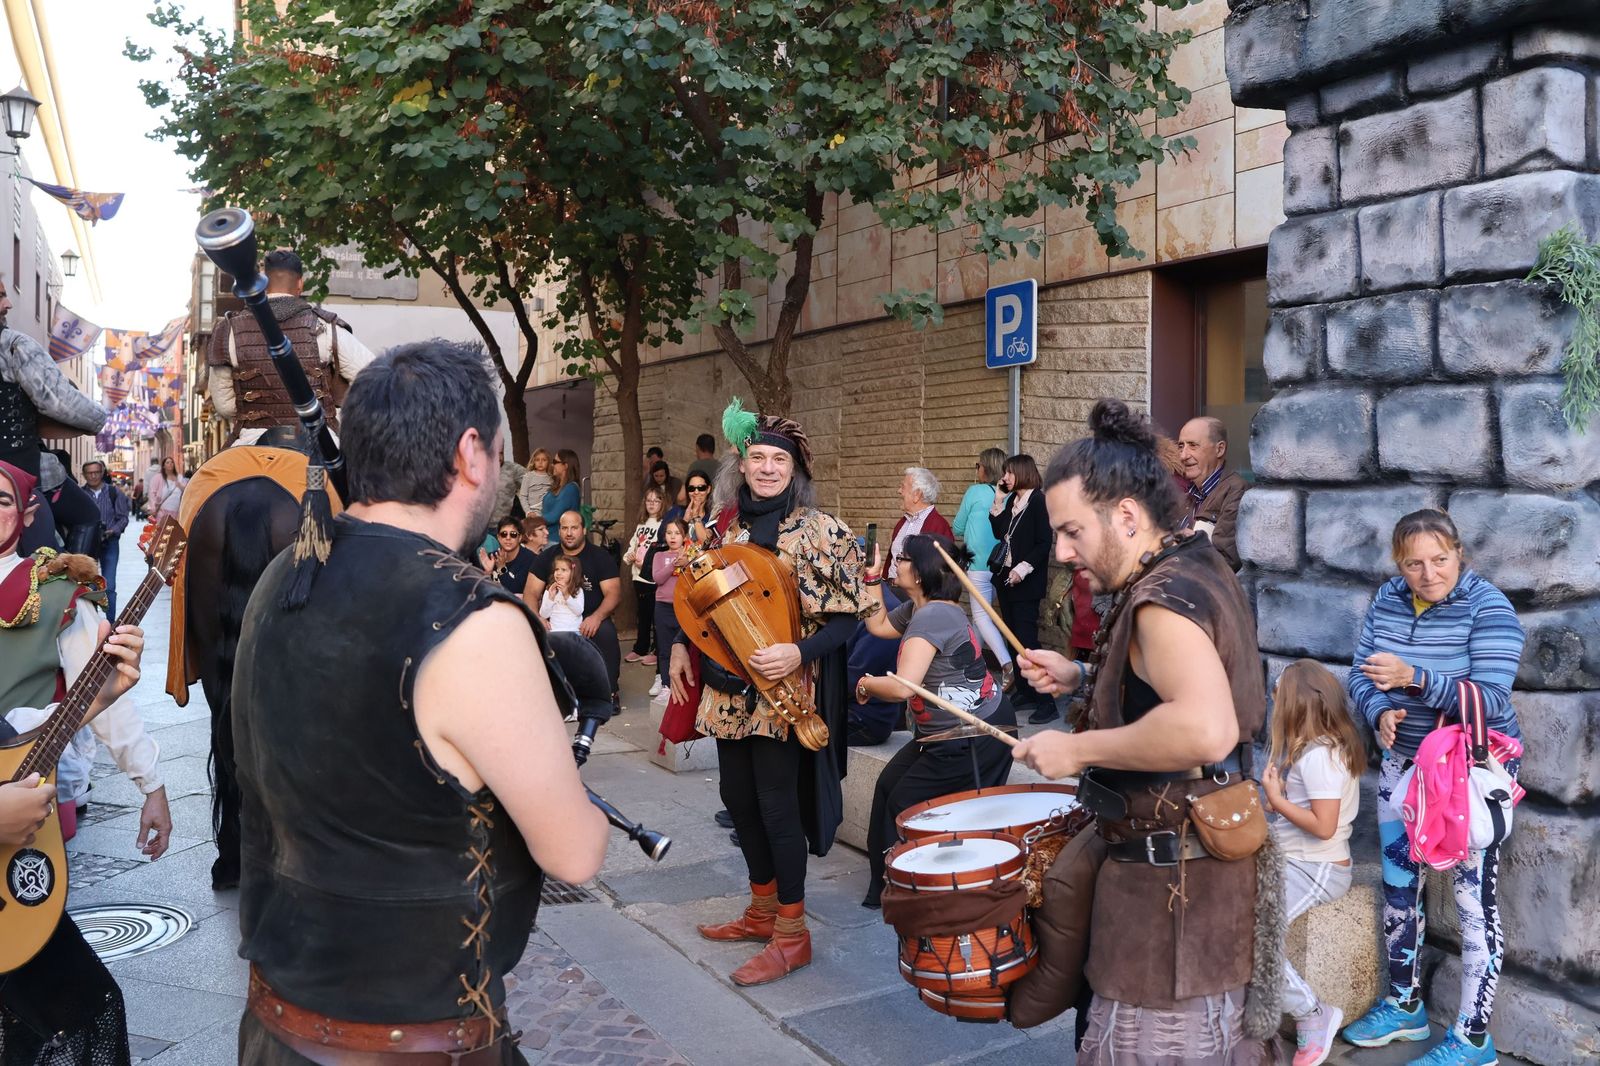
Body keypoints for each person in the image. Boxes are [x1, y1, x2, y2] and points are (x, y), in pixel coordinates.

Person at [230, 339, 608, 1064]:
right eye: (500, 453)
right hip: (416, 1048)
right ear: (471, 452)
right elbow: (574, 852)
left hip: (275, 1028)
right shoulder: (476, 622)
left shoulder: (285, 574)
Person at [1010, 398, 1270, 1063]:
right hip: (1187, 892)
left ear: (1126, 515)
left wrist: (1075, 747)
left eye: (1072, 532)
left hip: (1169, 911)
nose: (1064, 552)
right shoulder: (1193, 563)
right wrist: (1079, 676)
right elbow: (1170, 685)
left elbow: (1204, 728)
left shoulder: (1160, 599)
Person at [668, 400, 868, 987]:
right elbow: (701, 601)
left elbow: (847, 619)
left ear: (795, 469)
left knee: (778, 806)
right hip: (728, 691)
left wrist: (797, 653)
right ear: (742, 463)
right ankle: (760, 910)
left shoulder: (822, 530)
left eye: (778, 459)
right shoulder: (724, 528)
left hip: (784, 692)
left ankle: (792, 933)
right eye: (757, 457)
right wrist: (682, 644)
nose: (767, 468)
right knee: (738, 800)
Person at [1341, 509, 1524, 1065]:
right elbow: (1358, 672)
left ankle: (1473, 1038)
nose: (1428, 574)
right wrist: (1378, 712)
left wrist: (1414, 678)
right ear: (1399, 563)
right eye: (1414, 563)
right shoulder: (1388, 599)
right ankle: (1404, 1004)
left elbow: (1491, 700)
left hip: (1469, 772)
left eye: (1439, 560)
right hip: (1402, 769)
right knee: (1400, 888)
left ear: (1459, 553)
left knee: (1474, 902)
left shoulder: (1488, 607)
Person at [0, 457, 155, 1065]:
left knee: (80, 1010)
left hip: (25, 838)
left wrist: (101, 699)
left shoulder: (55, 591)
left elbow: (26, 723)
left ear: (29, 512)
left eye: (2, 500)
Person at [855, 534, 1015, 908]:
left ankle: (912, 890)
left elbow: (901, 688)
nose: (898, 561)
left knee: (906, 806)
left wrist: (865, 683)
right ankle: (885, 887)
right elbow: (877, 626)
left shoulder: (934, 614)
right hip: (944, 733)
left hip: (974, 734)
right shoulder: (921, 607)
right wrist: (873, 579)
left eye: (903, 557)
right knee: (888, 787)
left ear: (923, 571)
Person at [1261, 660, 1364, 1066]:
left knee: (1258, 939)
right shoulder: (1323, 747)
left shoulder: (1319, 756)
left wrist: (1277, 799)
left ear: (1294, 704)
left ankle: (1312, 1013)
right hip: (1301, 861)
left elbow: (1324, 827)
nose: (1273, 705)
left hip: (1316, 868)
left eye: (1277, 698)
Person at [206, 247, 376, 444]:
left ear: (263, 284)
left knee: (211, 475)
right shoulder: (326, 327)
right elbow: (372, 378)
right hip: (320, 443)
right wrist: (338, 412)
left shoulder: (229, 329)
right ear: (300, 284)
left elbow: (224, 405)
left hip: (251, 443)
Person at [0, 277, 107, 554]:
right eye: (0, 297)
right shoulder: (14, 345)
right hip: (18, 477)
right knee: (87, 516)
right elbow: (57, 400)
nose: (8, 304)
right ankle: (75, 589)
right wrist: (98, 419)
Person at [527, 510, 623, 709]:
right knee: (532, 634)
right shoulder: (547, 557)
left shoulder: (599, 556)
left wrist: (596, 617)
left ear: (583, 530)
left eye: (574, 528)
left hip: (590, 618)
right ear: (559, 531)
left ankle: (609, 692)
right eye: (564, 528)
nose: (569, 533)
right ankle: (547, 694)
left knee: (605, 632)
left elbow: (613, 593)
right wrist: (537, 618)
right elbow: (530, 593)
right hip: (556, 619)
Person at [989, 453, 1054, 723]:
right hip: (1006, 580)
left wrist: (1022, 568)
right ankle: (1025, 691)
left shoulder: (1038, 501)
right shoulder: (1015, 501)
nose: (1004, 477)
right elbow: (998, 532)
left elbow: (1043, 543)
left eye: (1009, 473)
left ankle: (1046, 701)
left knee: (1027, 642)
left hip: (1025, 582)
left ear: (1023, 473)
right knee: (1011, 638)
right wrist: (999, 499)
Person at [952, 447, 1011, 683]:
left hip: (978, 565)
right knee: (982, 616)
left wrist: (970, 531)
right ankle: (970, 665)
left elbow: (957, 527)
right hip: (1004, 564)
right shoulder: (1009, 493)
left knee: (981, 616)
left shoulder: (975, 491)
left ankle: (1007, 667)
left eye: (978, 465)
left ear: (985, 468)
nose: (976, 470)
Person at [1176, 416, 1247, 571]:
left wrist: (1191, 543)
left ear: (1219, 449)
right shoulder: (1187, 497)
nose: (1183, 455)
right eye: (1181, 446)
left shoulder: (1236, 491)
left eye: (1193, 446)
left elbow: (1227, 561)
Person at [82, 459, 130, 622]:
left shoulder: (114, 492)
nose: (93, 476)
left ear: (102, 473)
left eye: (96, 472)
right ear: (84, 475)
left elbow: (123, 518)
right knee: (90, 585)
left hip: (110, 543)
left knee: (109, 586)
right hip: (88, 545)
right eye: (89, 473)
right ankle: (93, 621)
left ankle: (110, 623)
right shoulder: (80, 494)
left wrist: (113, 531)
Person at [623, 487, 666, 665]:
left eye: (656, 501)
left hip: (652, 577)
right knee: (643, 615)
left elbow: (662, 550)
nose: (652, 504)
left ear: (662, 503)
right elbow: (634, 545)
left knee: (656, 616)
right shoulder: (642, 524)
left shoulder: (663, 524)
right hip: (638, 577)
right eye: (649, 501)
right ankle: (641, 647)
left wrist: (648, 565)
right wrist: (629, 557)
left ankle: (657, 649)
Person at [887, 467, 952, 584]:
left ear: (917, 494)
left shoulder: (939, 527)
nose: (899, 491)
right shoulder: (902, 522)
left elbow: (943, 573)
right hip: (892, 589)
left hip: (917, 598)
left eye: (903, 487)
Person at [649, 518, 688, 700]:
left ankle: (681, 683)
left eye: (677, 533)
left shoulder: (690, 556)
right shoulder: (659, 556)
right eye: (669, 533)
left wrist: (686, 563)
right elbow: (658, 578)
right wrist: (674, 565)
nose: (673, 537)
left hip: (683, 606)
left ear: (685, 536)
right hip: (662, 607)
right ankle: (666, 684)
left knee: (681, 647)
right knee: (664, 647)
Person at [481, 516, 537, 598]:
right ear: (498, 537)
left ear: (520, 537)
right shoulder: (491, 557)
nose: (508, 538)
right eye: (504, 534)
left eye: (513, 534)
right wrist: (487, 573)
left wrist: (502, 569)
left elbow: (515, 591)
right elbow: (481, 591)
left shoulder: (531, 559)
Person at [539, 556, 586, 634]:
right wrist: (551, 598)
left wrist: (567, 595)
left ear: (573, 573)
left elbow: (578, 611)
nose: (559, 573)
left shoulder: (578, 590)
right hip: (554, 631)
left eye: (563, 570)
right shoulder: (550, 590)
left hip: (573, 631)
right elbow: (544, 615)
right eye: (556, 569)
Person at [541, 449, 582, 526]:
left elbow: (554, 516)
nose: (552, 465)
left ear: (565, 466)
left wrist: (532, 521)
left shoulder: (571, 489)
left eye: (555, 462)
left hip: (559, 536)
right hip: (546, 534)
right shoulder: (556, 486)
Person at [147, 455, 187, 521]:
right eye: (167, 462)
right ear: (163, 466)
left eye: (172, 462)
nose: (170, 464)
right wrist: (153, 508)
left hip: (176, 512)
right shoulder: (158, 478)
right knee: (162, 530)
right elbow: (152, 493)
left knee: (174, 530)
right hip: (162, 512)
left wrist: (179, 485)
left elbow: (186, 491)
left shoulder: (179, 477)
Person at [518, 448, 554, 516]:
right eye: (537, 460)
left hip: (548, 511)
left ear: (548, 462)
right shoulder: (528, 476)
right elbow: (523, 496)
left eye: (544, 460)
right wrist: (528, 511)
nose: (540, 462)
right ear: (533, 461)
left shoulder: (551, 478)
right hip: (533, 512)